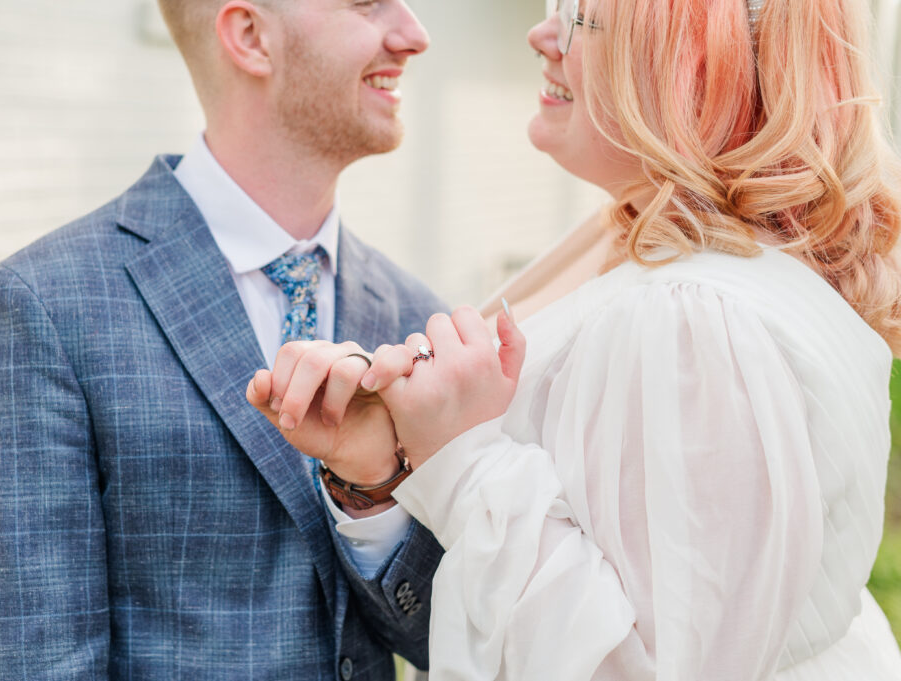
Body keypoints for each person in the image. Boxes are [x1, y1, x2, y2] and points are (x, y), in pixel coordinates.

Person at [247, 0, 901, 677]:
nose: (541, 34)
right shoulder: (666, 262)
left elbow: (643, 665)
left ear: (691, 63)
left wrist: (464, 457)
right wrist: (388, 470)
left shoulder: (692, 318)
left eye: (581, 14)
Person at [0, 0, 446, 678]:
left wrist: (372, 499)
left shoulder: (414, 316)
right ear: (250, 36)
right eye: (367, 3)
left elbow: (453, 637)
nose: (414, 34)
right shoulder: (43, 309)